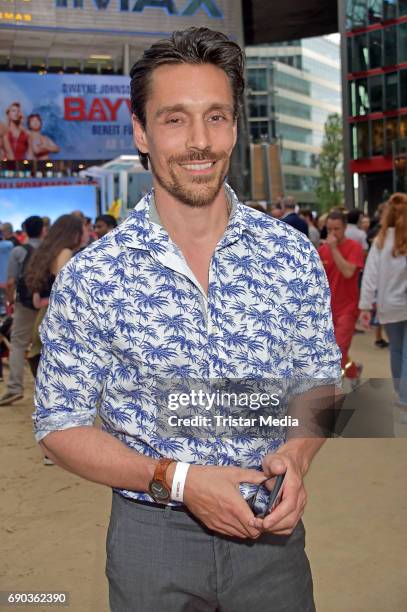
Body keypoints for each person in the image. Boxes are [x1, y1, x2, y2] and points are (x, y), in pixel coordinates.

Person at [33, 27, 341, 612]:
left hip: (270, 529)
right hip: (153, 539)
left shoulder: (291, 253)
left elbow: (319, 383)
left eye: (216, 117)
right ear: (141, 132)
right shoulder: (93, 275)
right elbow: (59, 425)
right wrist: (177, 480)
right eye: (175, 119)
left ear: (233, 127)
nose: (200, 142)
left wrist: (295, 457)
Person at [359, 193, 407, 419]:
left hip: (390, 306)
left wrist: (365, 306)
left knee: (396, 350)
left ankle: (401, 394)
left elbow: (370, 276)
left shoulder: (380, 241)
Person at [25, 214, 83, 378]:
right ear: (74, 233)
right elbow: (63, 287)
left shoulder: (48, 251)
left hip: (44, 315)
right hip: (57, 318)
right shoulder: (65, 252)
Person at [0, 216, 43, 406]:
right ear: (43, 230)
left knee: (18, 343)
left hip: (25, 303)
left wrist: (10, 300)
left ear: (24, 230)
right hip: (48, 303)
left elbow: (11, 281)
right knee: (47, 345)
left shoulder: (18, 251)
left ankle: (15, 388)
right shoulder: (50, 250)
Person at [319, 211, 365, 383]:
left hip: (348, 307)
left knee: (337, 351)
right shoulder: (321, 251)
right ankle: (353, 370)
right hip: (326, 310)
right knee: (331, 351)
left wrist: (333, 249)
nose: (332, 233)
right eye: (329, 229)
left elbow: (347, 272)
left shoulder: (354, 248)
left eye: (337, 229)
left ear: (345, 228)